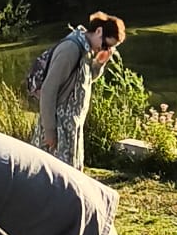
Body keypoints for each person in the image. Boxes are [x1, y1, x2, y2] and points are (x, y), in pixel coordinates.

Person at [34, 11, 126, 170]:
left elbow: (82, 83)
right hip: (58, 127)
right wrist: (49, 131)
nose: (104, 49)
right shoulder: (71, 49)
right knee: (52, 179)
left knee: (69, 180)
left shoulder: (87, 50)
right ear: (98, 31)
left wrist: (99, 64)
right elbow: (49, 89)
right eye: (105, 45)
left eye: (110, 48)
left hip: (71, 128)